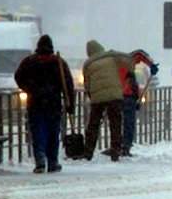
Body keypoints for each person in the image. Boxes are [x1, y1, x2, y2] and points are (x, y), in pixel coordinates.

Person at [14, 35, 74, 173]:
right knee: (53, 132)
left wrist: (29, 88)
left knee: (38, 131)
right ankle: (53, 161)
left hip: (35, 101)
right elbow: (68, 84)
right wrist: (70, 104)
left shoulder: (29, 61)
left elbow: (18, 76)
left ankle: (40, 158)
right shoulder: (58, 62)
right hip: (54, 102)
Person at [82, 40, 132, 161]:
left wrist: (91, 96)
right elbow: (128, 61)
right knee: (115, 124)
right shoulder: (111, 57)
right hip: (114, 96)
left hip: (97, 98)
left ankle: (88, 152)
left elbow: (87, 84)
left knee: (93, 125)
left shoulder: (88, 65)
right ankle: (116, 151)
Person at [119, 49, 158, 157]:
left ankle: (118, 145)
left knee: (118, 122)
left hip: (118, 97)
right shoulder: (127, 62)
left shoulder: (115, 67)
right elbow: (140, 54)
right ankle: (125, 146)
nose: (136, 64)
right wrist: (152, 64)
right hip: (127, 97)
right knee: (128, 123)